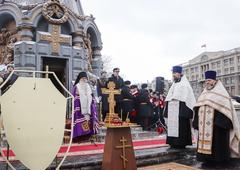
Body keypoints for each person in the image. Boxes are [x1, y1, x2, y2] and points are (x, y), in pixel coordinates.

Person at [193, 70, 240, 163]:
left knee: (217, 144)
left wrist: (218, 122)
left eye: (209, 80)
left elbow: (225, 110)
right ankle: (205, 158)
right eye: (206, 80)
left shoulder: (221, 93)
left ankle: (218, 160)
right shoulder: (204, 93)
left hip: (217, 126)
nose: (207, 82)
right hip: (204, 126)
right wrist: (196, 122)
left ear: (215, 81)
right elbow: (198, 107)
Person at [164, 66, 196, 149]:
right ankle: (172, 142)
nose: (173, 75)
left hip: (181, 110)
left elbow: (187, 98)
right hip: (173, 110)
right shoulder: (174, 84)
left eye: (175, 73)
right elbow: (169, 96)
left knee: (181, 126)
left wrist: (182, 110)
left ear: (180, 73)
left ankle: (181, 143)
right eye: (173, 73)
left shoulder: (185, 84)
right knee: (172, 126)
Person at [72, 71, 99, 141]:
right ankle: (79, 136)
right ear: (80, 78)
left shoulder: (88, 86)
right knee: (81, 122)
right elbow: (75, 97)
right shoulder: (76, 86)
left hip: (88, 107)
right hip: (79, 107)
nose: (84, 79)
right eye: (83, 78)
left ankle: (87, 135)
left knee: (88, 121)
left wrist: (92, 100)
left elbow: (91, 96)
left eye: (85, 78)